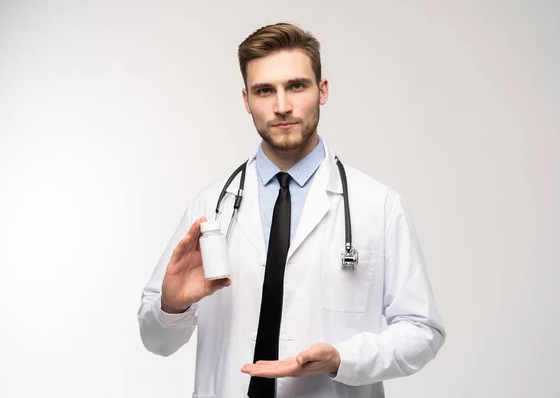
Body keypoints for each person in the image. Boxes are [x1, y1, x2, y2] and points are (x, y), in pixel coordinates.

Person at [137, 22, 446, 398]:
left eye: (296, 86)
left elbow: (422, 331)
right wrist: (171, 306)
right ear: (246, 100)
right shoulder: (209, 207)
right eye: (265, 90)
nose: (282, 106)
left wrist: (342, 359)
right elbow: (157, 341)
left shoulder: (377, 205)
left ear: (322, 90)